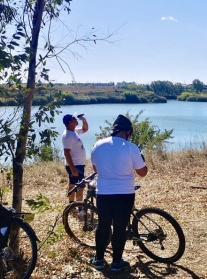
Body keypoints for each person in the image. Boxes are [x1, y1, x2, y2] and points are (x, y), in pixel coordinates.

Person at [90, 115, 148, 273]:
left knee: (103, 225)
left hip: (103, 193)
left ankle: (99, 260)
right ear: (128, 131)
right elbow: (143, 172)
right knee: (119, 228)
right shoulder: (130, 147)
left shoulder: (97, 145)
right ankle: (116, 263)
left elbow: (96, 169)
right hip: (124, 193)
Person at [62, 113, 89, 203]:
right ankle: (79, 207)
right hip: (75, 165)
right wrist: (73, 169)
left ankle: (72, 206)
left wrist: (84, 120)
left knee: (73, 184)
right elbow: (67, 153)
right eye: (74, 119)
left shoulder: (74, 131)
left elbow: (85, 129)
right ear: (70, 122)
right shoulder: (68, 136)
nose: (76, 120)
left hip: (79, 164)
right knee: (80, 187)